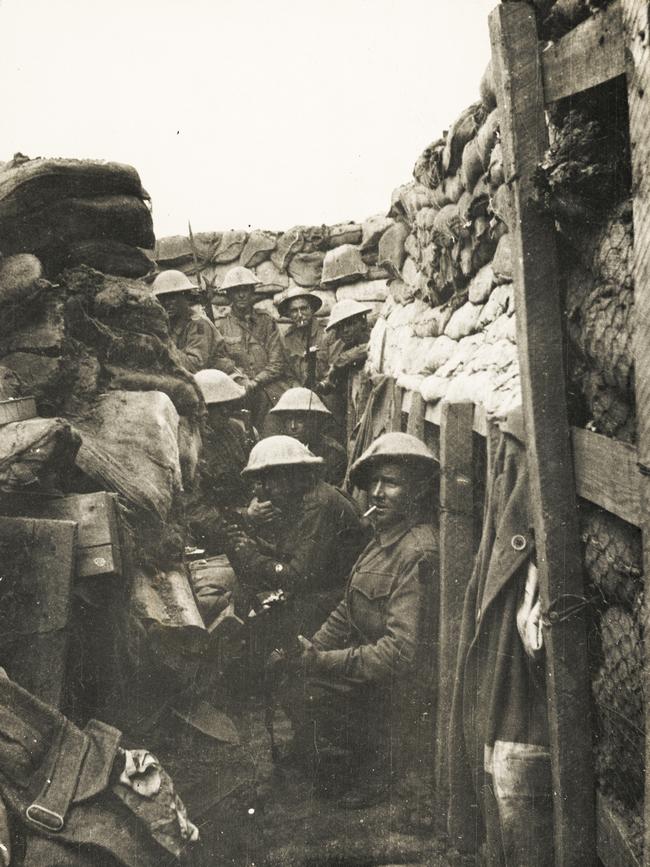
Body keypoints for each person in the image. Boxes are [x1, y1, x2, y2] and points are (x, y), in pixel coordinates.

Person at [275, 432, 439, 808]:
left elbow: (401, 653)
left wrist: (324, 662)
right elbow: (349, 608)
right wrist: (313, 647)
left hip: (401, 690)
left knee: (312, 691)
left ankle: (376, 769)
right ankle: (342, 755)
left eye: (392, 483)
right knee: (290, 673)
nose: (378, 492)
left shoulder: (417, 551)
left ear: (417, 491)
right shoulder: (383, 538)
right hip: (374, 672)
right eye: (374, 483)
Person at [227, 435, 367, 636]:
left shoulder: (318, 505)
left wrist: (253, 557)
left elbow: (297, 577)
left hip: (338, 601)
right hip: (323, 592)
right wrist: (254, 546)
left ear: (292, 475)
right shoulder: (304, 498)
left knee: (257, 633)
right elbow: (295, 554)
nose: (264, 488)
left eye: (270, 479)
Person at [217, 266, 295, 430]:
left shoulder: (266, 321)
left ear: (252, 291)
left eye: (245, 289)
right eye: (236, 290)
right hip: (237, 391)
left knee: (273, 429)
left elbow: (277, 363)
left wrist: (255, 382)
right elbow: (221, 360)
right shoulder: (221, 325)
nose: (241, 294)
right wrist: (240, 380)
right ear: (228, 294)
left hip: (268, 389)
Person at [151, 269, 239, 375]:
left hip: (218, 378)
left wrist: (165, 347)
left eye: (173, 297)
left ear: (185, 297)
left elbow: (196, 364)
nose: (167, 303)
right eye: (163, 298)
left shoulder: (199, 324)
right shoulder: (167, 323)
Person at [267, 387, 347, 487]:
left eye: (299, 420)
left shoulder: (331, 453)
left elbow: (332, 494)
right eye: (288, 420)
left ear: (315, 420)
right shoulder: (279, 451)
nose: (293, 426)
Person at [317, 299, 373, 440]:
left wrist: (340, 363)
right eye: (341, 328)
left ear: (363, 323)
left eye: (351, 324)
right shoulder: (343, 347)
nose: (345, 331)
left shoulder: (375, 337)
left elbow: (369, 349)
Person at [277, 286, 329, 388]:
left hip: (327, 390)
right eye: (294, 311)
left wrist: (322, 386)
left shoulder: (326, 332)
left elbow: (336, 369)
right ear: (289, 314)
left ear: (312, 309)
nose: (300, 315)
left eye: (304, 308)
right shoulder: (287, 339)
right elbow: (288, 374)